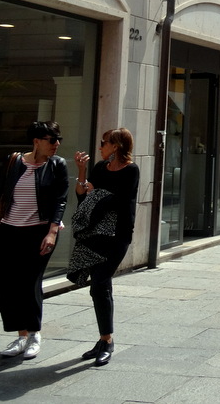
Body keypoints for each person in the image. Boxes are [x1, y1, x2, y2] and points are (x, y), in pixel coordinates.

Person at [0, 121, 69, 359]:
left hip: (38, 232)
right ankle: (21, 336)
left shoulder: (57, 165)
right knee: (8, 284)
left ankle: (34, 334)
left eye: (58, 140)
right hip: (9, 231)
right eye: (51, 140)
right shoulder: (14, 162)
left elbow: (60, 200)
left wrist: (52, 232)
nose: (56, 145)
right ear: (37, 141)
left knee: (30, 282)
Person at [68, 128, 140, 366]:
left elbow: (120, 201)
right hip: (96, 232)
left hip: (118, 235)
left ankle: (107, 341)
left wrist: (97, 193)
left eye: (104, 142)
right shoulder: (99, 168)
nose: (100, 146)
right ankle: (104, 339)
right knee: (99, 286)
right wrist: (81, 172)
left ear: (116, 146)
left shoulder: (131, 170)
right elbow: (83, 196)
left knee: (99, 282)